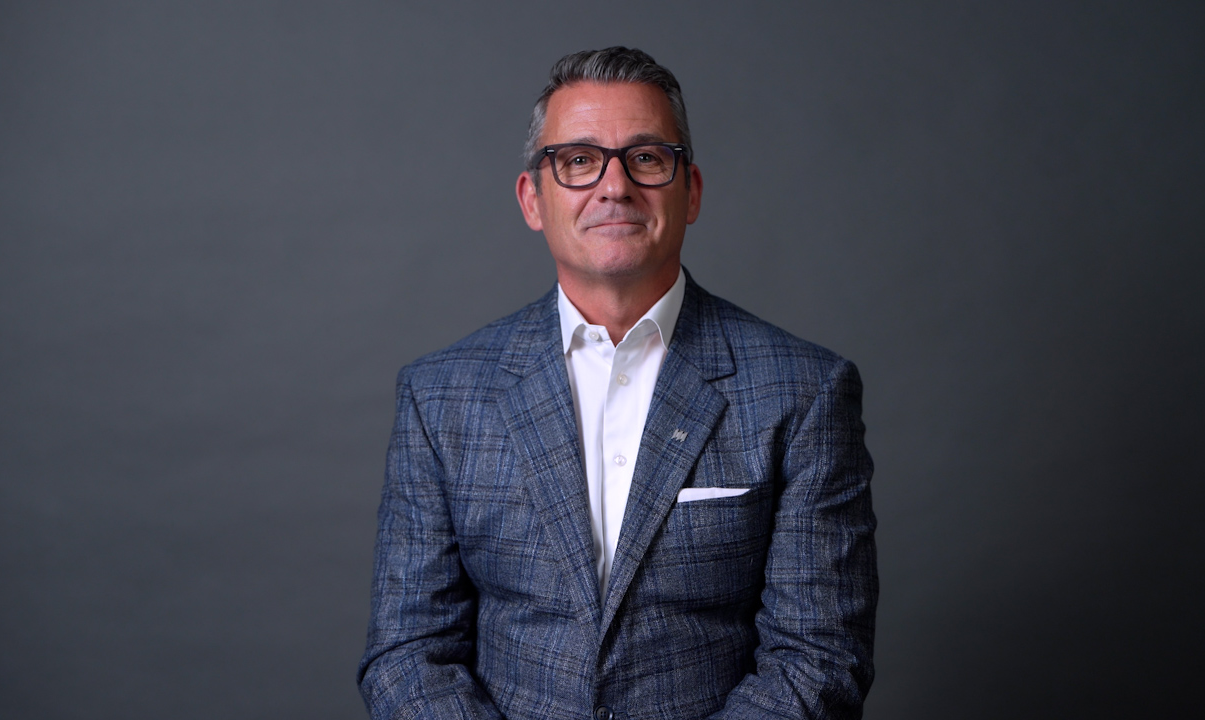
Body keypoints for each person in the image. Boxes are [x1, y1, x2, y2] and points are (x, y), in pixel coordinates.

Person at [358, 47, 878, 720]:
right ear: (532, 199)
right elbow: (407, 652)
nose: (614, 186)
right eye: (578, 161)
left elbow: (820, 658)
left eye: (646, 158)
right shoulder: (440, 397)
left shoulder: (804, 392)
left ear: (690, 190)